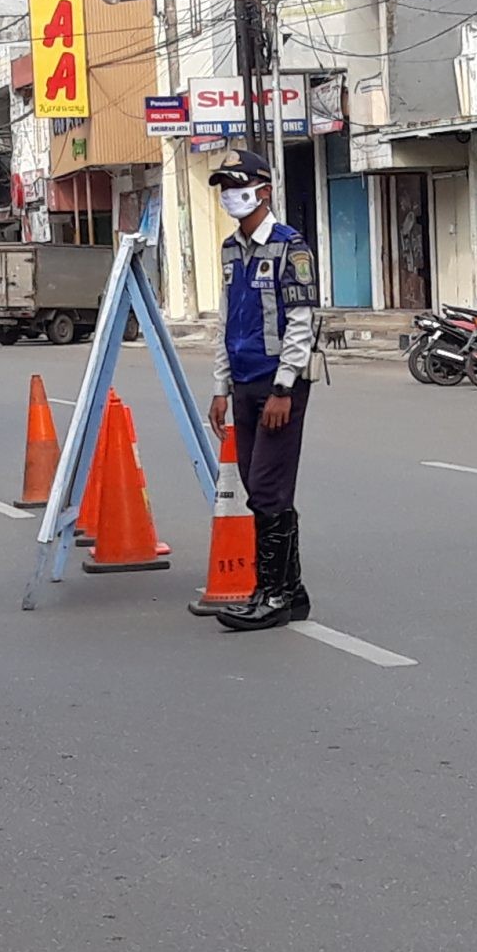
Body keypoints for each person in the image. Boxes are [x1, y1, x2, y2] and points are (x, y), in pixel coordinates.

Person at [203, 151, 319, 632]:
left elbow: (302, 321)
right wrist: (219, 387)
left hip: (278, 385)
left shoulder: (290, 247)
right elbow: (227, 321)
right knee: (257, 484)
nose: (229, 194)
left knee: (268, 488)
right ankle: (289, 591)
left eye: (237, 184)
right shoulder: (232, 249)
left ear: (263, 189)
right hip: (244, 381)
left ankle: (271, 594)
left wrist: (284, 387)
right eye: (224, 186)